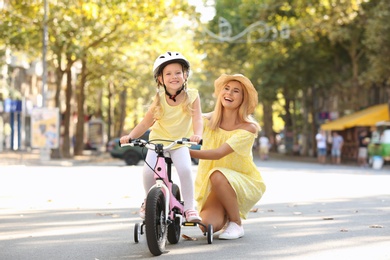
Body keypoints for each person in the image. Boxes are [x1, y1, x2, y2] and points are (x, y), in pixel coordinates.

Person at [119, 51, 203, 222]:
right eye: (168, 74)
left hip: (179, 143)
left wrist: (197, 135)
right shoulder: (159, 98)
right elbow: (145, 123)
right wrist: (130, 136)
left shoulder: (192, 96)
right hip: (157, 143)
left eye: (178, 72)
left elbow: (197, 119)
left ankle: (189, 208)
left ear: (185, 75)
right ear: (160, 79)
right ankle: (146, 201)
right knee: (148, 173)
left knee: (186, 170)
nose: (174, 77)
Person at [189, 73, 266, 240]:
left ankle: (236, 223)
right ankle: (225, 210)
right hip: (214, 184)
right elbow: (184, 129)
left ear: (243, 98)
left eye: (236, 91)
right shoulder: (207, 122)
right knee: (206, 226)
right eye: (226, 89)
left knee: (218, 174)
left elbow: (218, 154)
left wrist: (184, 152)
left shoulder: (248, 128)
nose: (229, 94)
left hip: (241, 182)